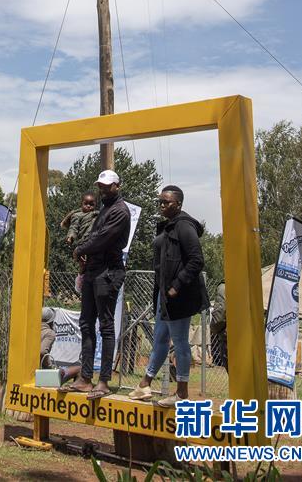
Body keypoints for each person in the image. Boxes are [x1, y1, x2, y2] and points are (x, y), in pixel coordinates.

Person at [129, 185, 209, 407]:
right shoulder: (168, 226)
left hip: (179, 296)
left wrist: (176, 285)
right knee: (160, 339)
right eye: (160, 202)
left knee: (180, 342)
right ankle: (145, 384)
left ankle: (182, 393)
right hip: (163, 295)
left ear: (179, 204)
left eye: (167, 202)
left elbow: (196, 260)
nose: (162, 205)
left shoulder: (184, 226)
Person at [66, 169, 130, 399]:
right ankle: (84, 377)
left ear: (117, 185)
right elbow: (93, 235)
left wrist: (81, 249)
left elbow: (103, 238)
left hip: (108, 272)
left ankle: (103, 381)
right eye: (101, 185)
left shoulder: (120, 211)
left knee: (105, 326)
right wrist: (83, 252)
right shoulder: (104, 209)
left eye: (107, 185)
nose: (103, 189)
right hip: (93, 270)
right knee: (85, 322)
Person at [210, 281, 228, 371]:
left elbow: (220, 315)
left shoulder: (224, 287)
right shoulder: (254, 281)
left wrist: (213, 329)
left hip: (229, 339)